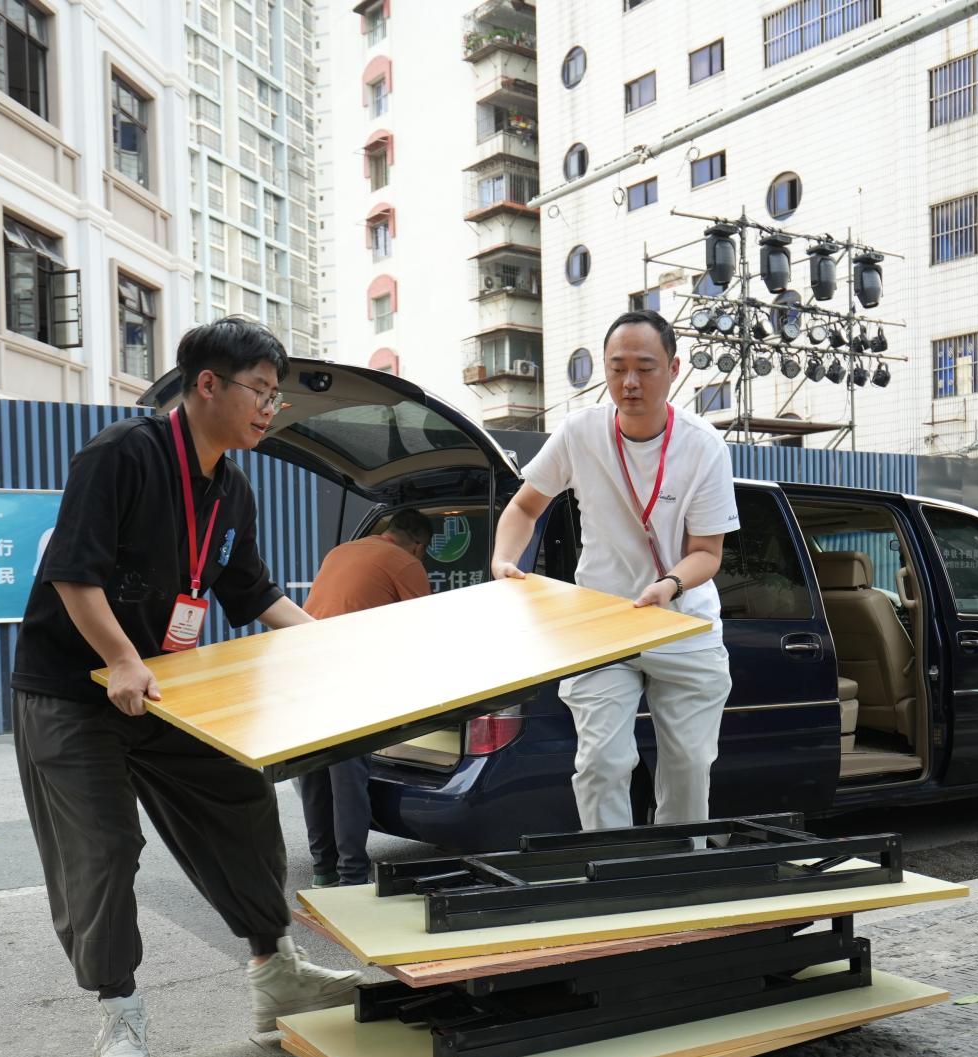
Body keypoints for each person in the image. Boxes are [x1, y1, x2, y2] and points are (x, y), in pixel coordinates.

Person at [10, 318, 360, 1057]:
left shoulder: (231, 489)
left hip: (164, 690)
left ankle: (277, 978)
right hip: (73, 690)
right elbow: (73, 573)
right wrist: (121, 658)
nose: (271, 408)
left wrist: (330, 643)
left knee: (241, 798)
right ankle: (119, 1012)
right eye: (260, 391)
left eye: (275, 395)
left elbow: (251, 591)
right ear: (207, 384)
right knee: (102, 848)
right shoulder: (120, 456)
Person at [489, 309, 739, 831]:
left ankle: (681, 868)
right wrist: (504, 560)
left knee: (689, 766)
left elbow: (707, 553)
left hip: (683, 623)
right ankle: (611, 868)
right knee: (602, 763)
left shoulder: (704, 446)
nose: (629, 382)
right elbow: (524, 507)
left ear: (673, 369)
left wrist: (668, 585)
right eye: (617, 367)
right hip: (602, 624)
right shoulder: (580, 432)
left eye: (645, 368)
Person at [296, 508, 434, 886]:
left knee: (315, 776)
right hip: (346, 679)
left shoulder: (341, 551)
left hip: (301, 671)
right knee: (348, 779)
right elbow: (425, 632)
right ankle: (352, 876)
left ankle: (323, 871)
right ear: (419, 546)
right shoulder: (405, 564)